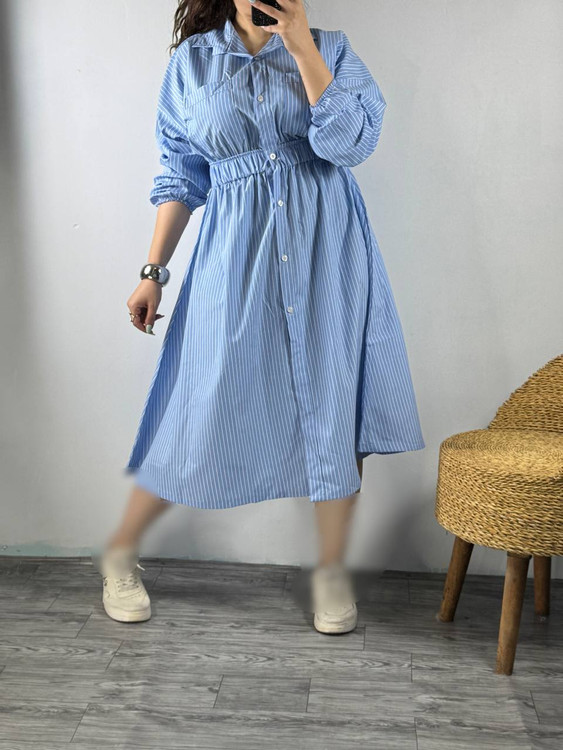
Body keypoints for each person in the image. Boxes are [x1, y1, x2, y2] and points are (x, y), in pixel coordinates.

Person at [97, 0, 425, 635]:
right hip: (234, 254)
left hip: (327, 249)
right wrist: (152, 271)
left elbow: (350, 144)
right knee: (198, 401)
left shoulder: (332, 49)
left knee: (333, 400)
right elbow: (181, 174)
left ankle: (331, 571)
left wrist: (301, 47)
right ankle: (120, 552)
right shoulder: (193, 63)